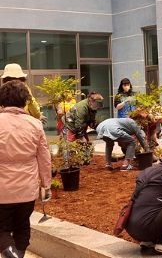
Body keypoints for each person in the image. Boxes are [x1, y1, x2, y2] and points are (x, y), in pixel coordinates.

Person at [0, 80, 52, 258]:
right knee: (22, 226)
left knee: (2, 229)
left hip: (2, 190)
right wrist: (46, 184)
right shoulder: (35, 124)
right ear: (25, 101)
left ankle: (10, 255)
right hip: (26, 189)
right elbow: (44, 158)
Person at [64, 92, 104, 164]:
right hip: (70, 125)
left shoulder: (93, 108)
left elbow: (91, 121)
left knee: (86, 144)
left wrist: (99, 128)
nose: (98, 107)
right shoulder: (81, 108)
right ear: (91, 101)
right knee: (70, 145)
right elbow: (79, 124)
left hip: (80, 125)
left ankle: (85, 160)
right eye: (97, 105)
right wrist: (82, 137)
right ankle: (68, 162)